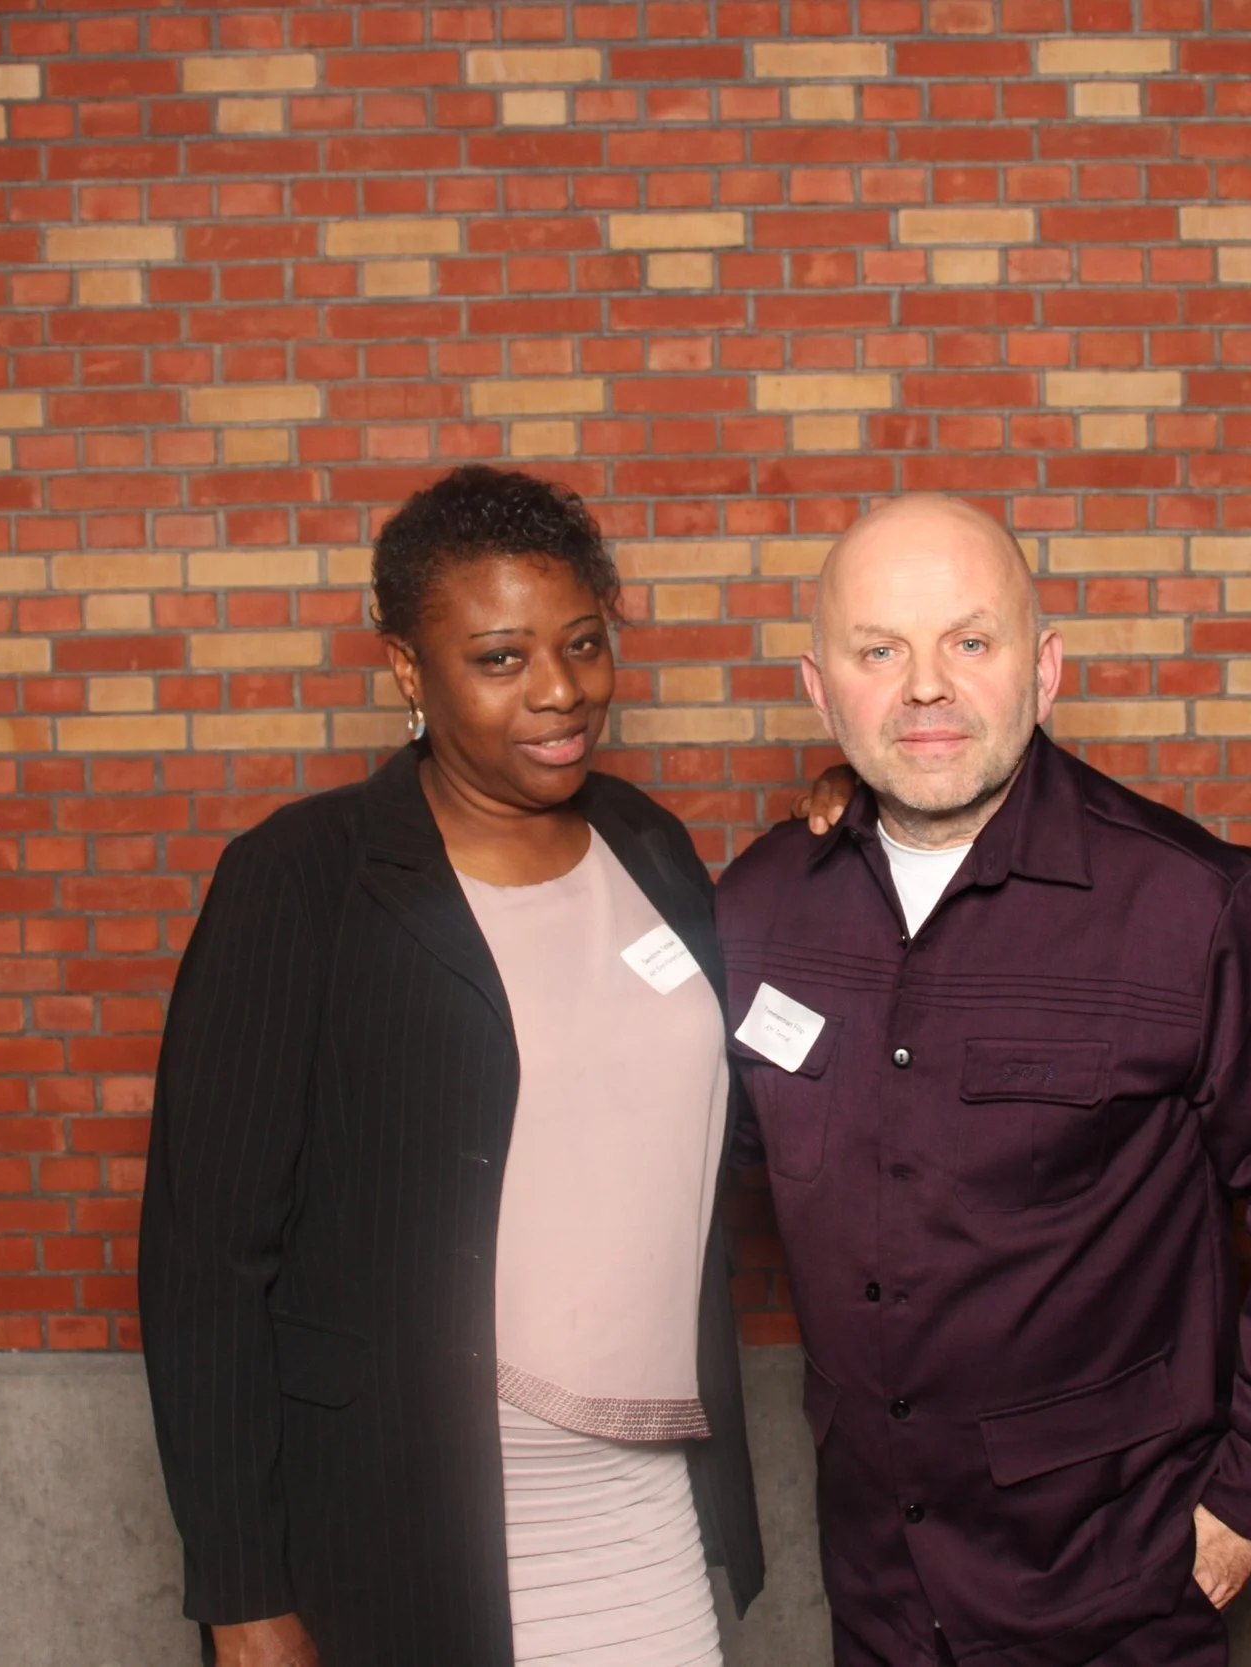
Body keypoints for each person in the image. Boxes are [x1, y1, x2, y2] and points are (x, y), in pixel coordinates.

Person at [714, 494, 1251, 1667]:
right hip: (877, 1590)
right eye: (879, 651)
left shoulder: (1196, 910)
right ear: (822, 690)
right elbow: (690, 1154)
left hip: (1114, 1595)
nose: (926, 686)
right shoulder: (762, 904)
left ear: (1043, 670)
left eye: (969, 641)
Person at [140, 466, 782, 1667]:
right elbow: (204, 1264)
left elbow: (723, 1106)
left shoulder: (647, 845)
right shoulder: (305, 880)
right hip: (400, 1520)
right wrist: (241, 1592)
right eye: (499, 658)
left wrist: (858, 822)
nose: (559, 689)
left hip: (641, 1499)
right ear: (406, 668)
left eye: (582, 642)